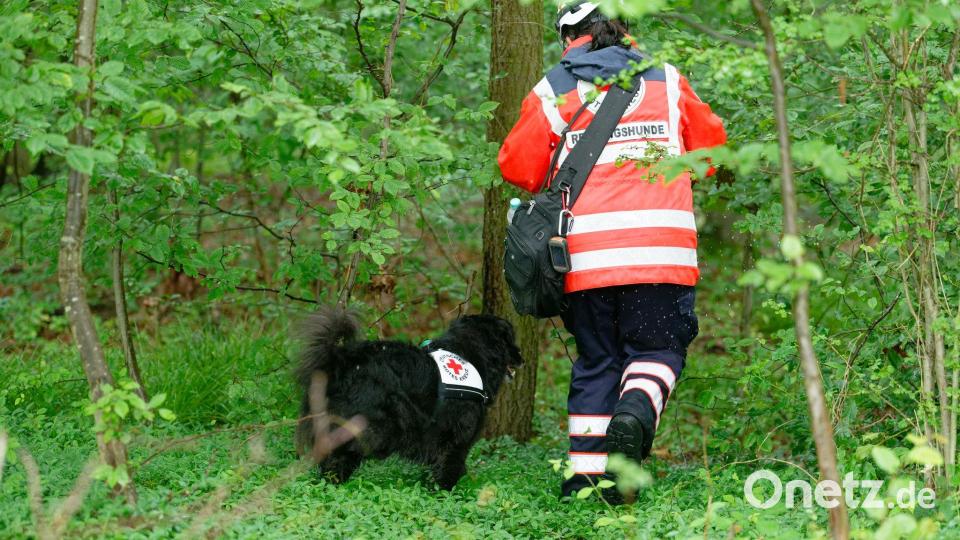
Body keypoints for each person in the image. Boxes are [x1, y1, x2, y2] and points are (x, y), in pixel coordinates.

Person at [497, 0, 727, 500]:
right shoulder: (665, 79)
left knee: (596, 361)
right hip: (661, 252)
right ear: (623, 24)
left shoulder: (553, 88)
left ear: (567, 35)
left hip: (584, 257)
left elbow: (518, 168)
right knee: (658, 348)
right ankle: (636, 411)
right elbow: (711, 151)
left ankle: (585, 481)